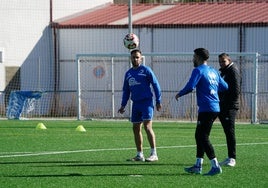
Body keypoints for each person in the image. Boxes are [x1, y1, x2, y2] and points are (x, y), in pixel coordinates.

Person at [175, 48, 228, 176]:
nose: (193, 59)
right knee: (199, 136)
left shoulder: (198, 70)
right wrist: (212, 90)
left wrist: (179, 94)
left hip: (207, 108)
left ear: (198, 57)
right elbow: (225, 86)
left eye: (194, 56)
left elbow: (190, 86)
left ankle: (215, 166)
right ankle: (198, 165)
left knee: (202, 137)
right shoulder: (214, 71)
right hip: (214, 107)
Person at [118, 49, 162, 162]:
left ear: (141, 58)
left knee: (147, 127)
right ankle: (139, 154)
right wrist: (123, 105)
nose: (135, 59)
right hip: (136, 104)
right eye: (133, 57)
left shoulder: (146, 70)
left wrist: (158, 100)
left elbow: (156, 84)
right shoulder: (128, 74)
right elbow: (126, 91)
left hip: (146, 103)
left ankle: (154, 153)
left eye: (137, 57)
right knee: (136, 128)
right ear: (130, 58)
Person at [218, 53, 240, 167]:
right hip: (221, 106)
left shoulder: (233, 71)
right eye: (220, 62)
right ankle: (229, 157)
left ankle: (232, 158)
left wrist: (227, 103)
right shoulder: (223, 71)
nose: (221, 64)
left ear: (229, 60)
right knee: (227, 132)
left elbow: (235, 91)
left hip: (229, 107)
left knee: (230, 132)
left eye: (223, 61)